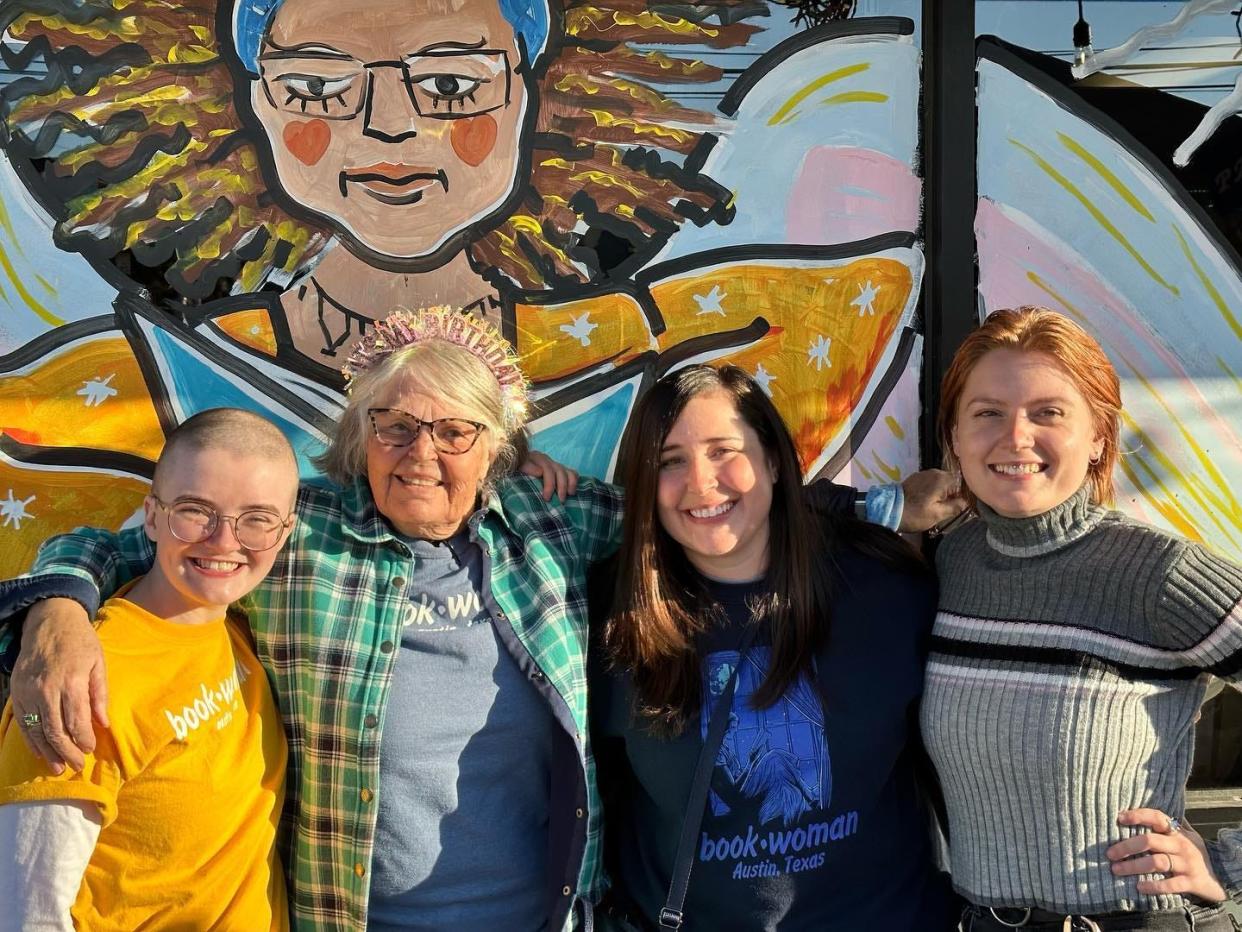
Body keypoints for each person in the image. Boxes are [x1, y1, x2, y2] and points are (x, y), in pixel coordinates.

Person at [0, 305, 960, 930]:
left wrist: (882, 511)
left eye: (455, 432)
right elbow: (148, 545)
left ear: (495, 448)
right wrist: (59, 607)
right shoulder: (300, 533)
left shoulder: (548, 521)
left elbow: (703, 512)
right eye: (396, 426)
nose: (423, 454)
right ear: (359, 438)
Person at [589, 364, 958, 931]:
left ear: (774, 461)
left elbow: (985, 738)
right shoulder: (617, 621)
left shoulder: (887, 592)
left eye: (723, 450)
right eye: (670, 461)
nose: (700, 482)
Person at [922, 307, 1242, 932]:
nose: (1016, 437)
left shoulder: (1159, 574)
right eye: (988, 413)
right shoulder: (948, 562)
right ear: (955, 435)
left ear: (1097, 435)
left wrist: (1227, 865)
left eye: (1048, 412)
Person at [0, 408, 297, 930]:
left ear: (285, 530)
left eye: (256, 519)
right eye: (195, 511)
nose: (224, 541)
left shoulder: (239, 630)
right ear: (153, 517)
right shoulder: (77, 678)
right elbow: (27, 912)